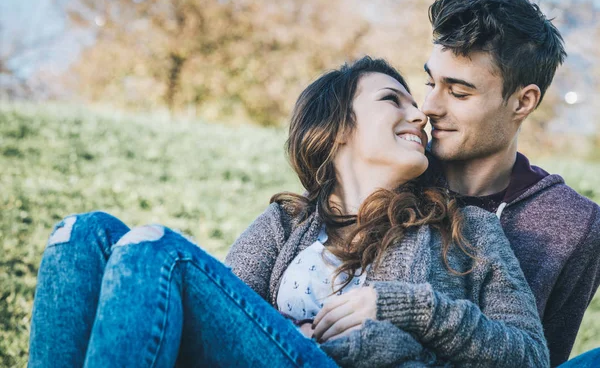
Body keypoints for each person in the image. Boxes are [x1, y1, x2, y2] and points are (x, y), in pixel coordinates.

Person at [29, 57, 549, 367]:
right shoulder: (286, 223)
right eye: (394, 99)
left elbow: (530, 356)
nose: (420, 113)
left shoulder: (466, 229)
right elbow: (233, 317)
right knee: (83, 232)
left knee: (159, 252)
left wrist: (409, 309)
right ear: (340, 127)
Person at [421, 0, 600, 367]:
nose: (429, 107)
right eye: (430, 83)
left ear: (523, 102)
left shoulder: (576, 224)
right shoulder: (394, 173)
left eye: (457, 92)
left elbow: (545, 356)